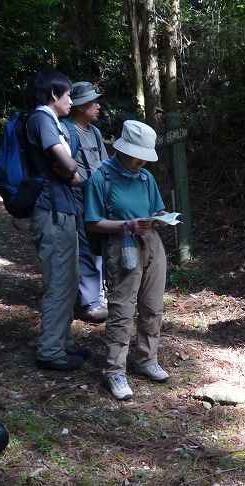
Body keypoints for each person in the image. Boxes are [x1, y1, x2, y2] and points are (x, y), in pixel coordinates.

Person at [84, 120, 170, 400]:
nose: (143, 161)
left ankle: (146, 358)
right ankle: (115, 371)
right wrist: (126, 226)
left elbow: (157, 208)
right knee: (122, 311)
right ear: (124, 150)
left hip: (152, 243)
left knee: (153, 306)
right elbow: (92, 222)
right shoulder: (102, 178)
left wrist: (161, 219)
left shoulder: (146, 178)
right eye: (139, 155)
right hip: (122, 245)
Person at [25, 69, 88, 371]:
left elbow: (70, 174)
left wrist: (71, 172)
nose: (71, 101)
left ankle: (62, 342)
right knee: (58, 281)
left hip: (61, 210)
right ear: (53, 95)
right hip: (50, 211)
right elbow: (66, 164)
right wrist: (72, 168)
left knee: (68, 279)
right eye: (68, 95)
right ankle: (50, 350)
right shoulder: (41, 119)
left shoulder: (51, 121)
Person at [62, 81, 109, 323]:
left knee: (99, 243)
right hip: (77, 196)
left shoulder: (95, 132)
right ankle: (90, 302)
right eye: (93, 102)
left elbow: (105, 164)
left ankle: (100, 294)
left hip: (97, 196)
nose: (98, 106)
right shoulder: (66, 130)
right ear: (80, 107)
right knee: (84, 247)